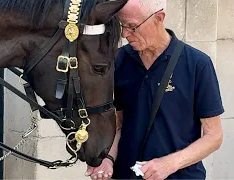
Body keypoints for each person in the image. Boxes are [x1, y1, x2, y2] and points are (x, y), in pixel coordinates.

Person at [85, 0, 224, 179]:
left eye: (132, 27)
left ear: (159, 18)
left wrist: (169, 164)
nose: (125, 34)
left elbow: (214, 136)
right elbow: (119, 125)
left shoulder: (197, 64)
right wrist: (108, 159)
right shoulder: (118, 60)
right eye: (122, 26)